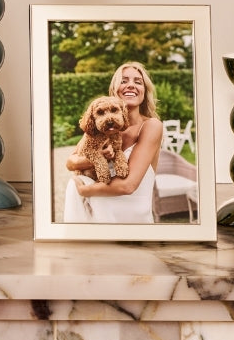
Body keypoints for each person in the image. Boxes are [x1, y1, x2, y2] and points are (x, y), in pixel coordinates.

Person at [63, 62, 164, 223]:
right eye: (124, 81)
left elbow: (128, 186)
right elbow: (71, 162)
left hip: (133, 217)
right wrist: (98, 157)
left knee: (74, 186)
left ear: (144, 91)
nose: (131, 85)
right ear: (114, 91)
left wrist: (83, 190)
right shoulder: (101, 127)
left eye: (138, 82)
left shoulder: (151, 126)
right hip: (98, 209)